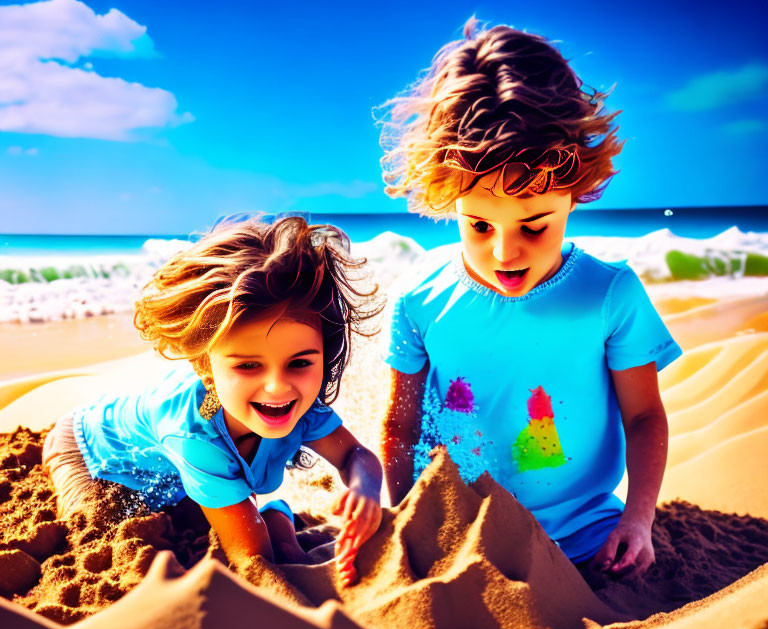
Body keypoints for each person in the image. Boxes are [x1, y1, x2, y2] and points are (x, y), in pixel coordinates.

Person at [378, 21, 682, 578]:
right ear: (449, 199)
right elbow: (400, 426)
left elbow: (643, 416)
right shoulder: (420, 300)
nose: (504, 252)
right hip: (460, 532)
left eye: (534, 226)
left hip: (587, 530)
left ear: (575, 194)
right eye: (478, 225)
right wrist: (401, 516)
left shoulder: (610, 295)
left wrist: (638, 520)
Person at [42, 215, 382, 586]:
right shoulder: (195, 436)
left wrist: (365, 490)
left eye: (299, 363)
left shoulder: (301, 406)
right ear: (205, 367)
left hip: (170, 469)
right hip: (86, 450)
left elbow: (355, 456)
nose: (277, 387)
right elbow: (253, 560)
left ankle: (277, 517)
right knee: (105, 535)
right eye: (249, 365)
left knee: (212, 508)